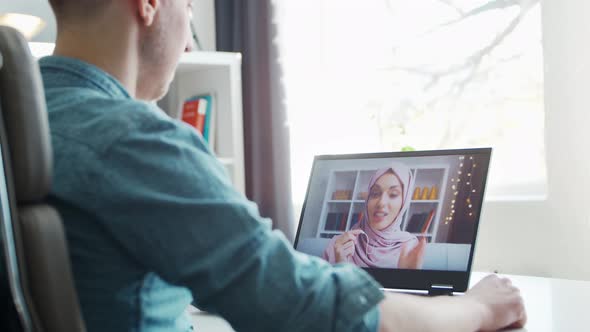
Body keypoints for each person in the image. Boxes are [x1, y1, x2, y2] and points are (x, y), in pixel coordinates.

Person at [39, 0, 526, 331]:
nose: (187, 41)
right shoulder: (138, 140)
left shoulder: (23, 118)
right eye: (188, 6)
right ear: (148, 4)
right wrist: (476, 308)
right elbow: (306, 308)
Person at [323, 164, 427, 269]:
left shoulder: (410, 247)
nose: (381, 203)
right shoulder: (338, 245)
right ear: (367, 199)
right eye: (375, 193)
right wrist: (340, 265)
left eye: (393, 194)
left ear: (404, 203)